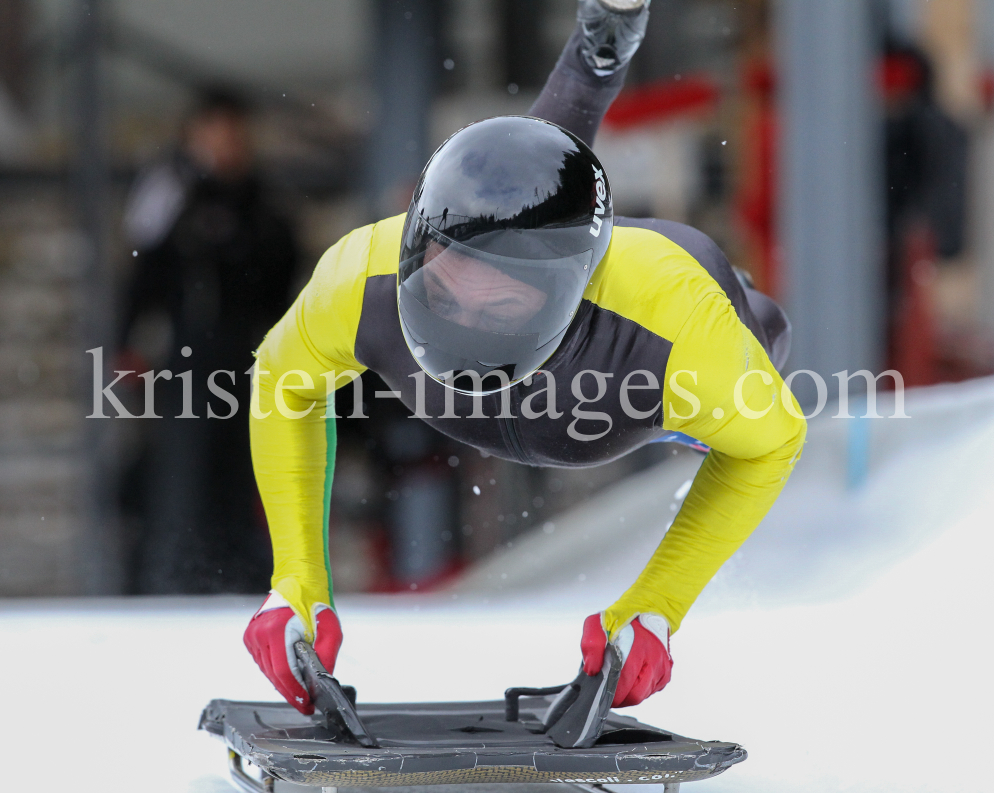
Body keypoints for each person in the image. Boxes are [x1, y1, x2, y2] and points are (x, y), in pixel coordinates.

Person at [244, 0, 805, 714]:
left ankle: (599, 55)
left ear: (564, 299)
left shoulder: (678, 331)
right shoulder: (362, 275)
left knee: (759, 339)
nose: (466, 331)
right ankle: (599, 48)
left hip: (651, 308)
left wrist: (657, 606)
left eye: (499, 311)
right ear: (416, 245)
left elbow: (773, 441)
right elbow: (280, 381)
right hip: (577, 286)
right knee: (524, 179)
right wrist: (294, 582)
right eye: (445, 295)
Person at [120, 89, 299, 593]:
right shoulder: (170, 192)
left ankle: (240, 576)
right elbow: (141, 273)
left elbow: (280, 279)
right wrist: (127, 342)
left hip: (250, 356)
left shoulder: (262, 200)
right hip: (187, 357)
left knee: (247, 469)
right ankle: (177, 576)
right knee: (183, 470)